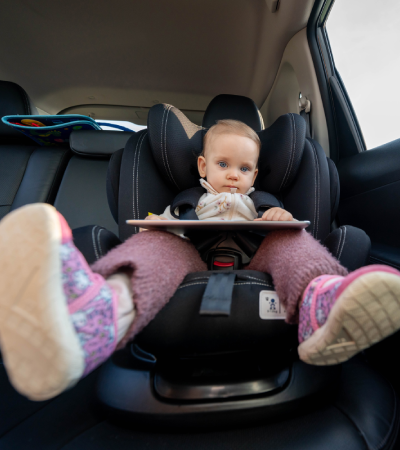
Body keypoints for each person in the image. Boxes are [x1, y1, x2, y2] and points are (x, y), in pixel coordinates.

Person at [0, 120, 400, 402]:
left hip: (256, 254)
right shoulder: (189, 201)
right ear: (203, 167)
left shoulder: (262, 204)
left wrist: (278, 218)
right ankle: (96, 315)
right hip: (189, 251)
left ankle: (321, 304)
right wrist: (159, 224)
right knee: (157, 246)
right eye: (223, 165)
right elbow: (170, 224)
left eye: (243, 169)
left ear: (255, 175)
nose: (233, 176)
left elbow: (281, 224)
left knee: (291, 240)